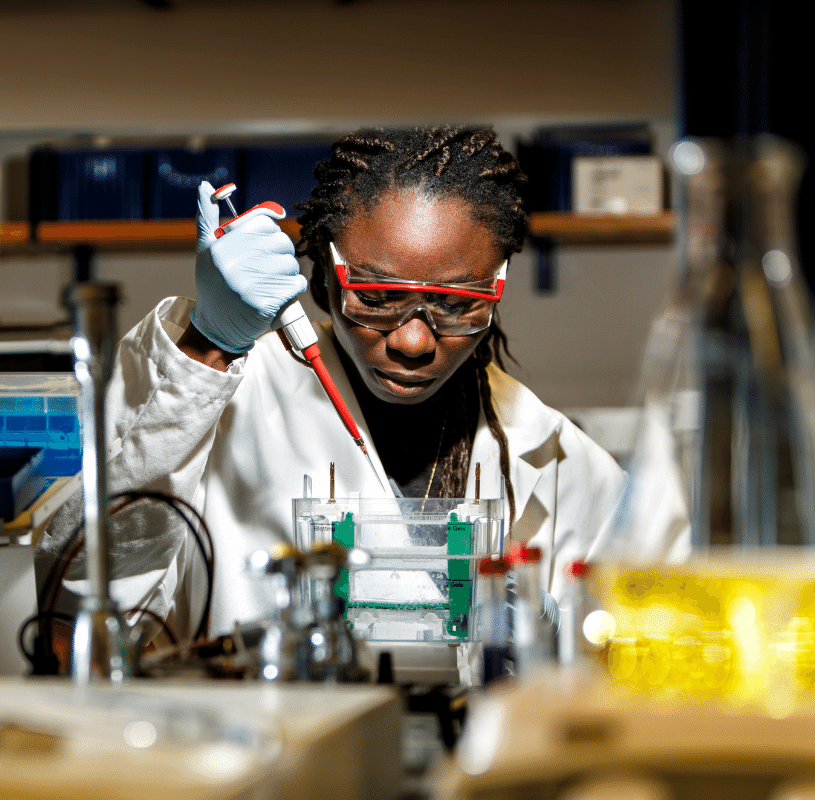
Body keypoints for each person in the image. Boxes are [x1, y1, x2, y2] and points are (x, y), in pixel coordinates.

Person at [36, 126, 655, 651]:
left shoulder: (558, 461)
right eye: (377, 296)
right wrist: (210, 342)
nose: (413, 340)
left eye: (457, 302)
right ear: (323, 275)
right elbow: (75, 604)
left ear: (498, 285)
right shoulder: (216, 386)